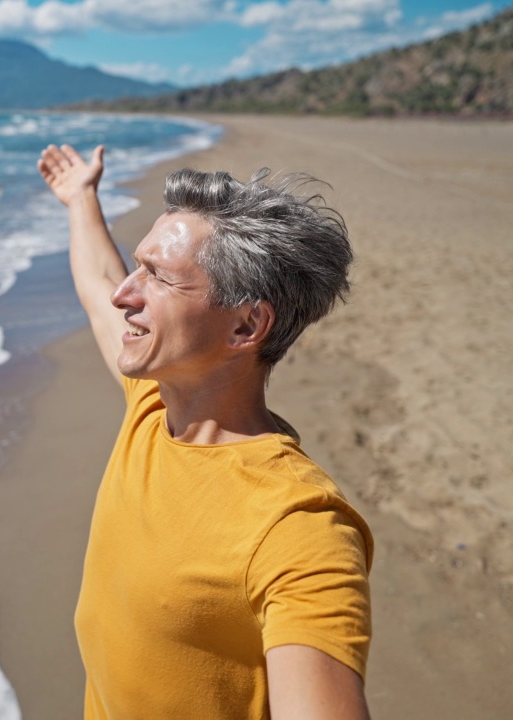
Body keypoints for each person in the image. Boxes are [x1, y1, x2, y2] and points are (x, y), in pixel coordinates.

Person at [37, 143, 374, 720]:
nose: (127, 294)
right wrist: (79, 198)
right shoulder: (155, 403)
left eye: (160, 278)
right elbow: (98, 286)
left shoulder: (297, 526)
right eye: (138, 266)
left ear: (246, 324)